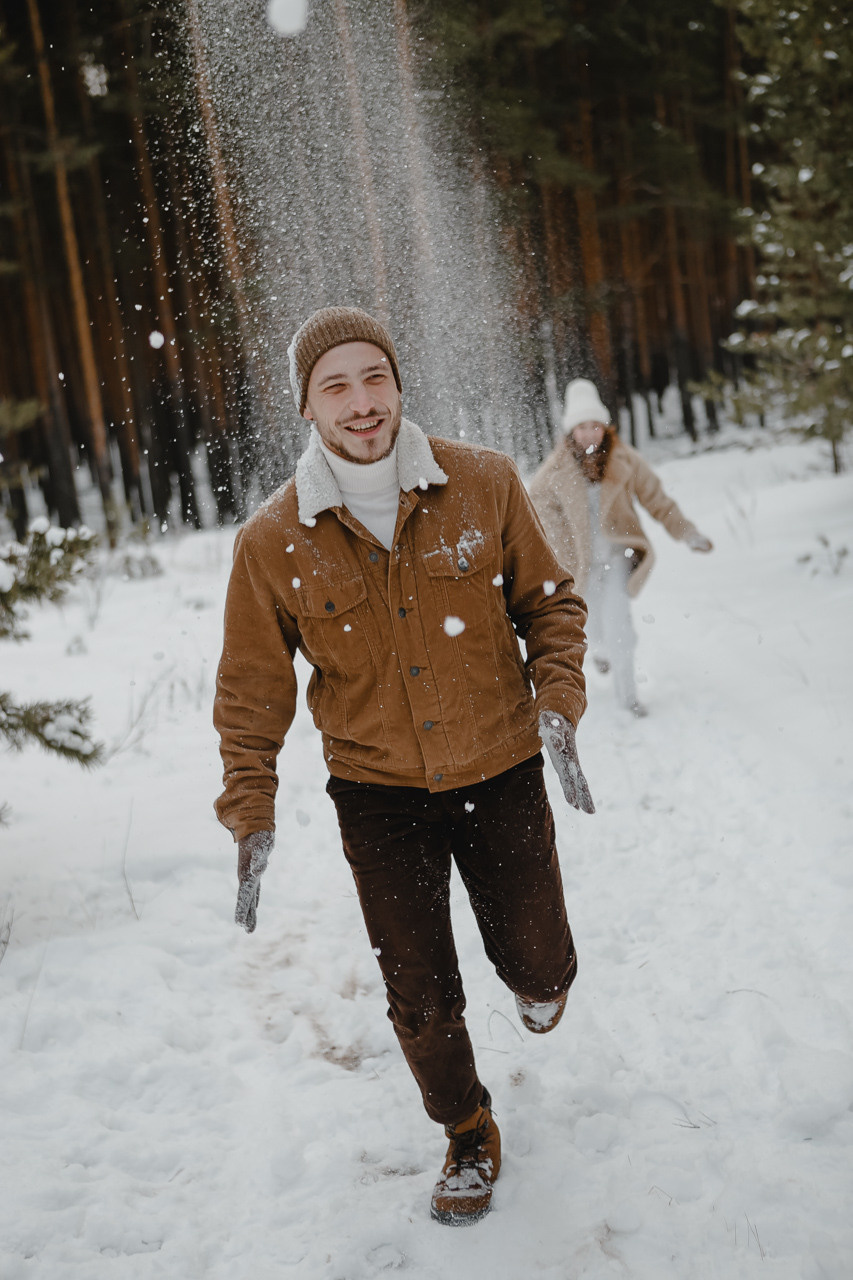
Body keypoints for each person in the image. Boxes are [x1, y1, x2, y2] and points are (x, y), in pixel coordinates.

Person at [214, 306, 595, 1226]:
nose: (360, 402)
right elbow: (251, 691)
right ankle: (465, 1129)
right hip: (377, 793)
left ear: (397, 382)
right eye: (335, 386)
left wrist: (556, 702)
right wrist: (250, 811)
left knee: (541, 964)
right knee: (417, 989)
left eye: (373, 377)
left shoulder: (482, 483)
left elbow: (549, 605)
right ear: (306, 406)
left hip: (500, 765)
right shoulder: (273, 540)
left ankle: (538, 984)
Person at [528, 377, 713, 717]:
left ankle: (628, 697)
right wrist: (559, 545)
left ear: (605, 427)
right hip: (580, 562)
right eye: (582, 427)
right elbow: (537, 506)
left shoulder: (624, 459)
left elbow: (657, 499)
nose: (589, 434)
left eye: (595, 426)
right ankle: (601, 652)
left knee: (619, 624)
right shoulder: (555, 469)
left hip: (618, 556)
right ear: (571, 431)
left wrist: (687, 533)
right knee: (591, 627)